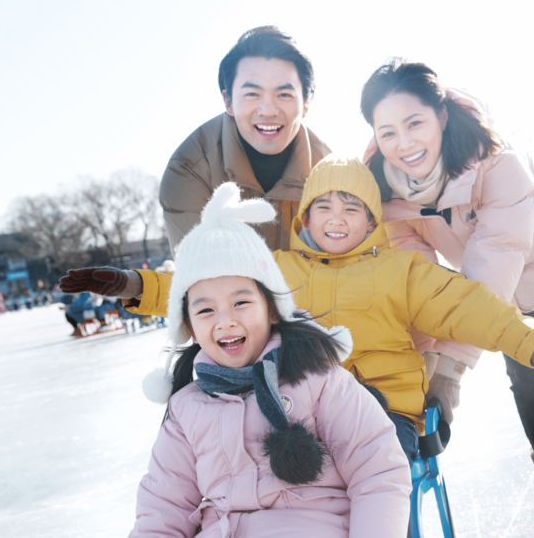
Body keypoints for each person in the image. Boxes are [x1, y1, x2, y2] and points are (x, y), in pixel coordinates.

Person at [61, 158, 534, 470]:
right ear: (305, 216)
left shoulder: (402, 270)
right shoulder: (275, 266)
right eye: (324, 205)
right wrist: (133, 285)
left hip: (383, 413)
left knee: (355, 466)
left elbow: (471, 307)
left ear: (372, 218)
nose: (337, 217)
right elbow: (208, 284)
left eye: (353, 207)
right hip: (299, 410)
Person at [358, 60, 534, 538]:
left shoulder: (498, 165)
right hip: (497, 273)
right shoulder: (385, 195)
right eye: (387, 132)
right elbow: (417, 282)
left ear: (441, 117)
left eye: (414, 123)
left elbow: (490, 276)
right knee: (527, 385)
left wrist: (448, 376)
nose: (403, 144)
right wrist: (419, 368)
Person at [128, 187, 412, 537]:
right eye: (205, 310)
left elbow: (378, 472)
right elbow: (163, 507)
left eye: (241, 303)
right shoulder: (187, 409)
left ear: (273, 309)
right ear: (188, 325)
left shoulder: (318, 381)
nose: (225, 321)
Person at [159, 26, 331, 251]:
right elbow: (203, 274)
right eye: (252, 94)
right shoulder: (189, 169)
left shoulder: (329, 171)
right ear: (228, 101)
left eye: (284, 95)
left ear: (306, 103)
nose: (268, 110)